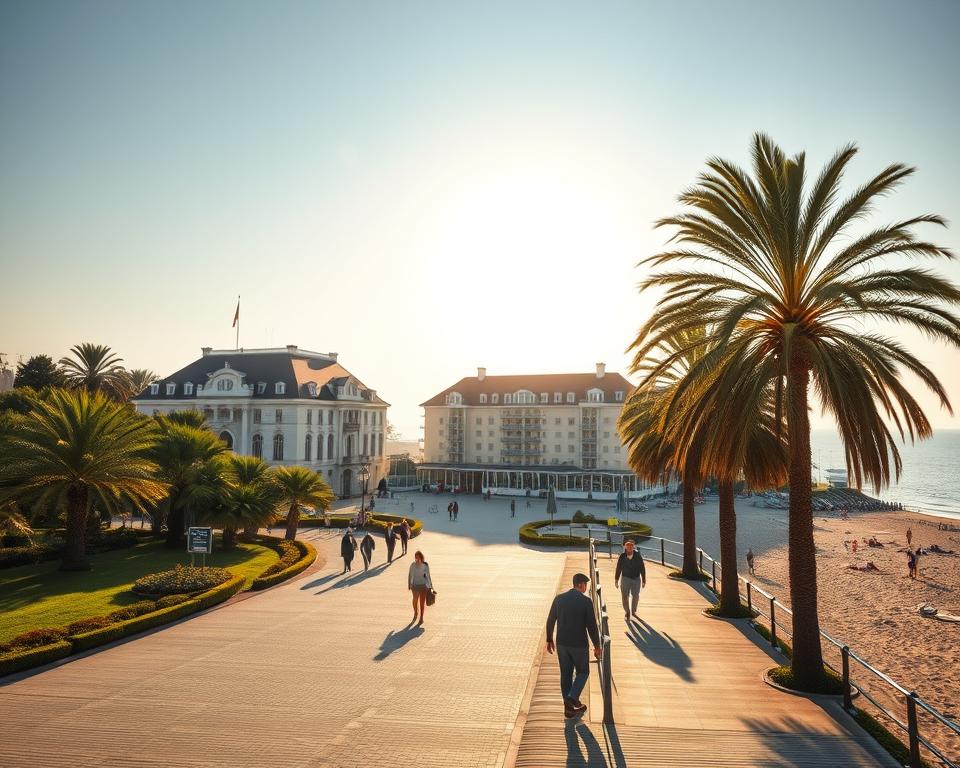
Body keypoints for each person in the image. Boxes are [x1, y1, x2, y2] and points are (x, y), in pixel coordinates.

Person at [546, 573, 602, 719]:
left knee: (566, 674)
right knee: (583, 672)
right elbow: (592, 627)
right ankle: (571, 697)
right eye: (586, 585)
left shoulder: (559, 599)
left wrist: (549, 638)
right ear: (581, 585)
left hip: (562, 644)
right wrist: (597, 645)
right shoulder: (586, 602)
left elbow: (551, 619)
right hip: (579, 645)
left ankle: (569, 708)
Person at [614, 539, 646, 621]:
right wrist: (616, 580)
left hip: (636, 579)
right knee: (625, 596)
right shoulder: (622, 556)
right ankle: (627, 612)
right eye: (627, 546)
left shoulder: (638, 556)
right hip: (625, 578)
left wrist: (644, 580)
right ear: (625, 547)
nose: (629, 548)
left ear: (633, 547)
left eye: (631, 546)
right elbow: (618, 569)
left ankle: (633, 611)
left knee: (635, 596)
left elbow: (642, 568)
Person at [408, 550, 434, 627]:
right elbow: (410, 575)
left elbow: (428, 576)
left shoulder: (425, 565)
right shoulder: (412, 565)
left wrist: (430, 587)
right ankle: (416, 612)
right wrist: (409, 584)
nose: (416, 560)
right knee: (415, 599)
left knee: (422, 602)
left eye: (418, 558)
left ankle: (421, 617)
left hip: (423, 585)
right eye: (415, 558)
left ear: (421, 558)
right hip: (415, 585)